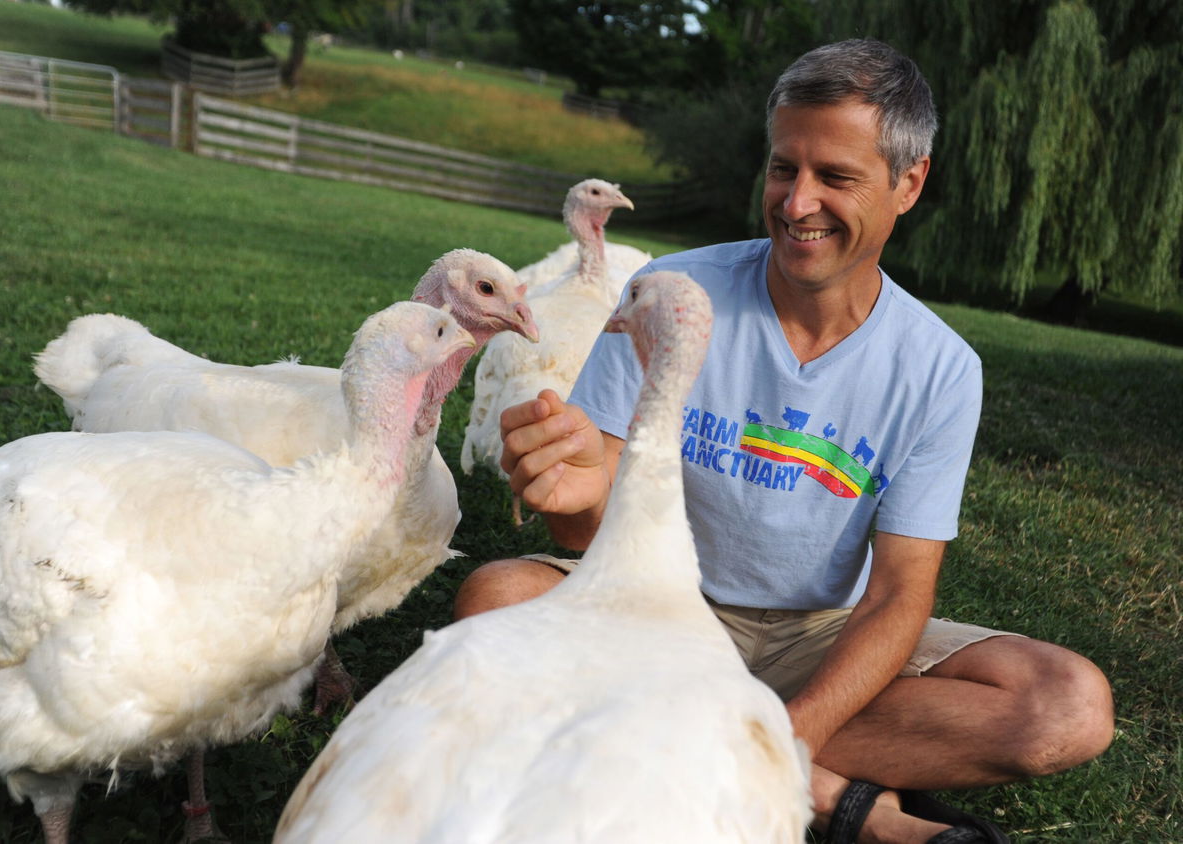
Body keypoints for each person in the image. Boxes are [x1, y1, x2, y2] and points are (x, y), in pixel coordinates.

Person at [453, 39, 1113, 844]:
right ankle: (847, 807)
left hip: (823, 635)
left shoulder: (940, 368)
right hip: (658, 608)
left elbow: (901, 594)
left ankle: (725, 755)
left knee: (1065, 706)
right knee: (495, 602)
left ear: (909, 182)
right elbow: (592, 539)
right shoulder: (674, 293)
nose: (796, 203)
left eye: (835, 177)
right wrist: (581, 500)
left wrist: (793, 731)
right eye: (781, 168)